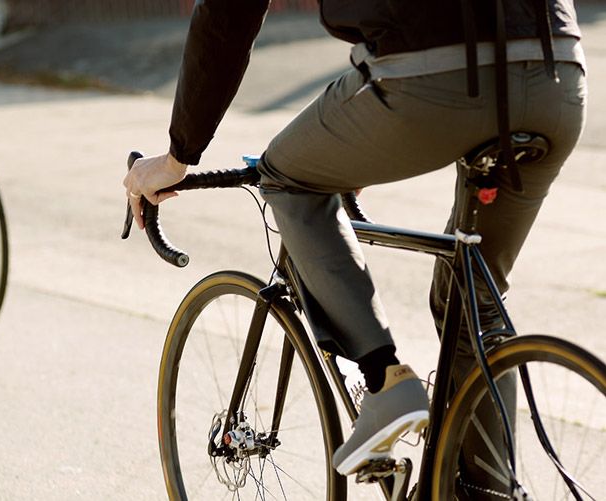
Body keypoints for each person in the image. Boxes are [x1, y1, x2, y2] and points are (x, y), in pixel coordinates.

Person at [123, 0, 586, 485]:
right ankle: (485, 491)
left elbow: (228, 14)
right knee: (474, 299)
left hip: (432, 73)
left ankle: (384, 378)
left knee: (287, 177)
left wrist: (179, 155)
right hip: (558, 74)